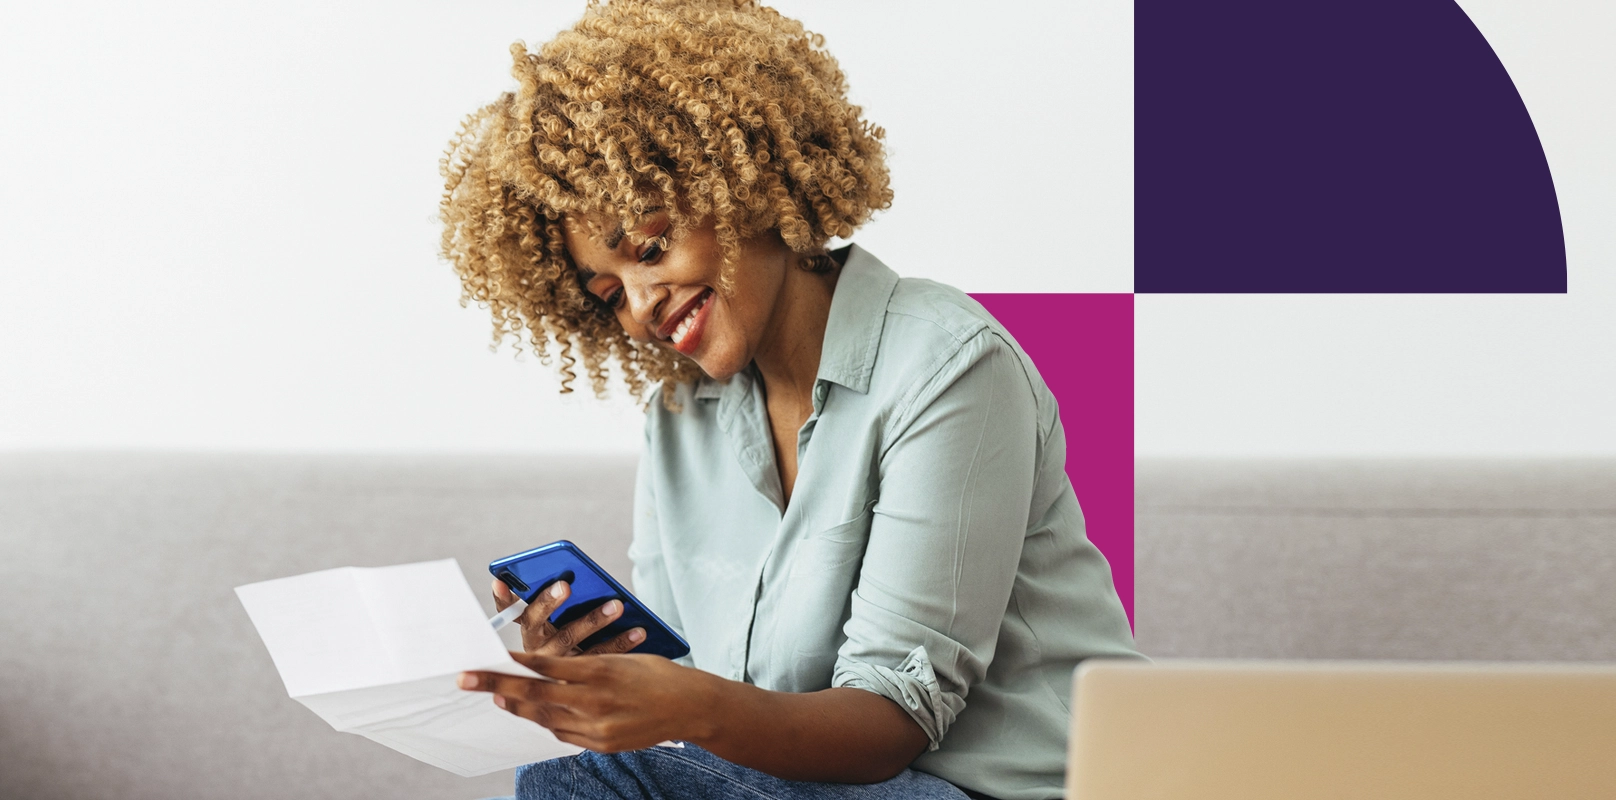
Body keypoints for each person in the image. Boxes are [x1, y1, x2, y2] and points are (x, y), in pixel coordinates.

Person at [440, 1, 1143, 797]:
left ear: (743, 183)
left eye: (651, 247)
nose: (639, 303)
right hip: (798, 784)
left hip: (993, 786)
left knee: (582, 782)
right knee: (588, 768)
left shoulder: (948, 364)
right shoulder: (680, 423)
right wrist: (604, 680)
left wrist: (685, 711)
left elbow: (892, 724)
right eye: (609, 295)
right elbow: (702, 705)